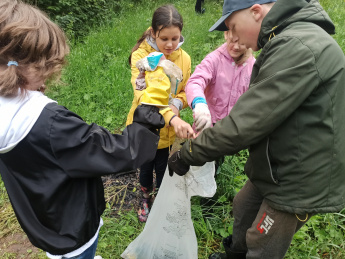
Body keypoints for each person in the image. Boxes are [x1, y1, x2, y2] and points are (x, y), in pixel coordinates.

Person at [168, 0, 345, 258]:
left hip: (300, 177)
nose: (233, 37)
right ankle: (235, 254)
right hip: (278, 163)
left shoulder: (298, 46)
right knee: (243, 207)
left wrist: (188, 154)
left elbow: (245, 123)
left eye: (233, 26)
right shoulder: (286, 38)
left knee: (263, 240)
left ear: (255, 11)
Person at [0, 1, 165, 259]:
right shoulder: (50, 125)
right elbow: (123, 151)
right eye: (44, 65)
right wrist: (148, 114)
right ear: (21, 65)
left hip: (42, 221)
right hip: (74, 229)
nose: (48, 74)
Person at [125, 5, 194, 222]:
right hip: (145, 126)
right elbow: (143, 96)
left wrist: (177, 104)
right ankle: (145, 196)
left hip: (167, 130)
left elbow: (185, 90)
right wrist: (172, 116)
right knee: (146, 166)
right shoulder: (142, 58)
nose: (170, 45)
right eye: (164, 38)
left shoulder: (184, 59)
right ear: (154, 33)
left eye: (175, 38)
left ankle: (162, 198)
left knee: (163, 166)